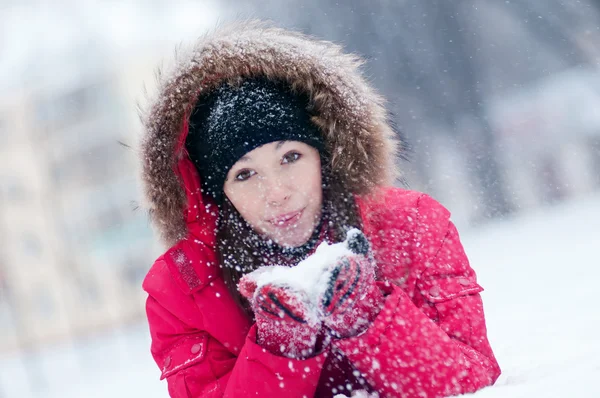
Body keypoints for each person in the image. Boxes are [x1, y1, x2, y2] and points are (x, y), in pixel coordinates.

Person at [139, 20, 500, 398]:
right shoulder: (182, 289)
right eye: (245, 174)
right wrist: (280, 350)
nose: (276, 193)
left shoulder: (411, 226)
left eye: (290, 157)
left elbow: (475, 380)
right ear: (219, 194)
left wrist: (370, 319)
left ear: (324, 156)